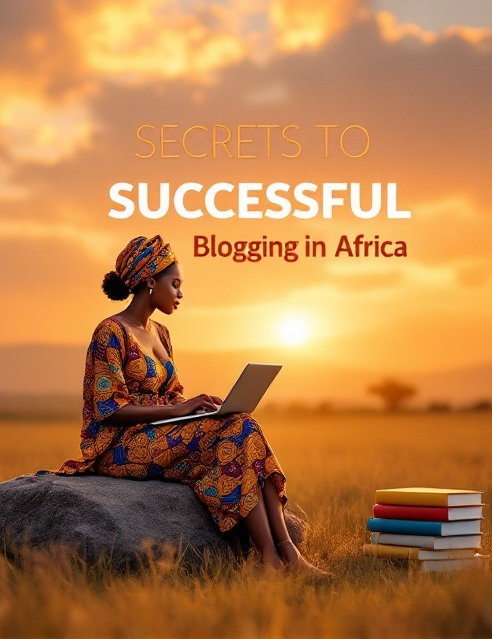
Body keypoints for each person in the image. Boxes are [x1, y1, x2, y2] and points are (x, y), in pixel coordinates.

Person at [57, 235, 324, 574]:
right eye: (176, 284)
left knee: (242, 424)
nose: (181, 294)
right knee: (239, 429)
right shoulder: (110, 332)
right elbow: (109, 409)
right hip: (121, 444)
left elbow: (172, 396)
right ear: (150, 280)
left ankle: (285, 554)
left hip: (161, 433)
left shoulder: (162, 334)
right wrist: (179, 411)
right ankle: (273, 558)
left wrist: (198, 409)